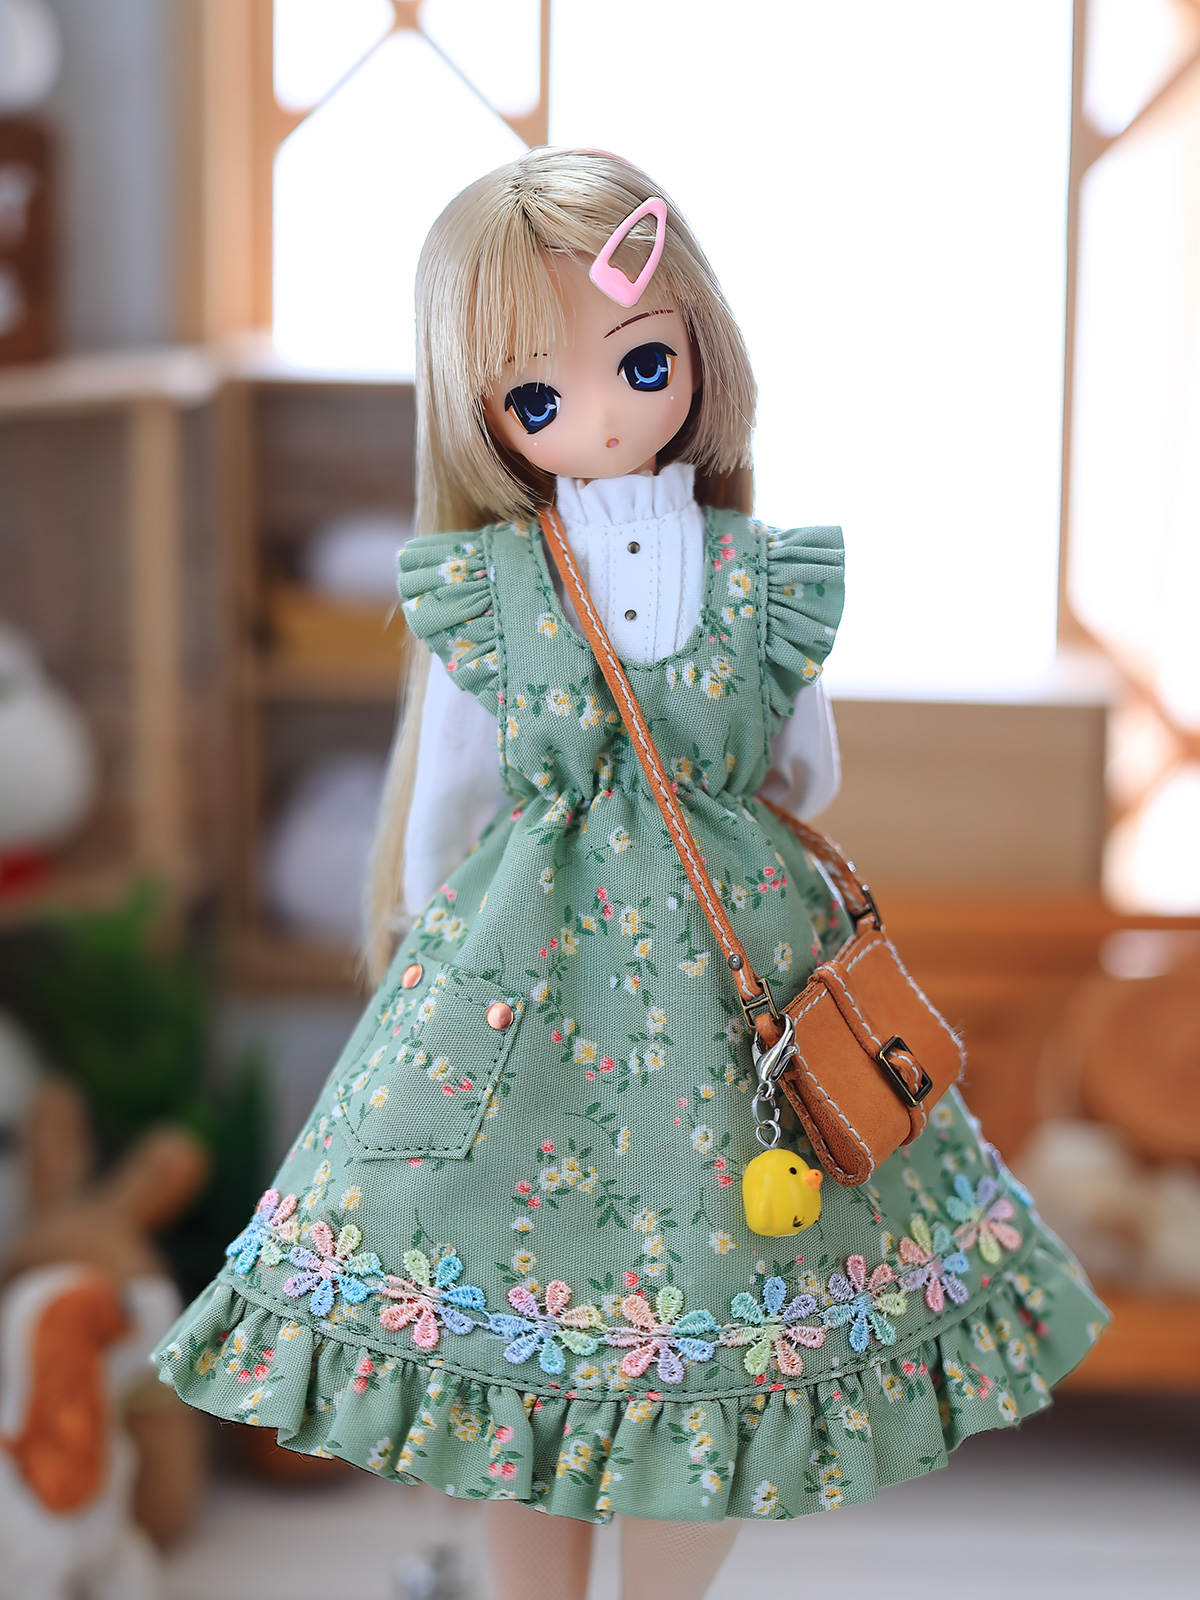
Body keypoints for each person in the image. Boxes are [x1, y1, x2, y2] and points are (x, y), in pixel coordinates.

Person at [156, 149, 1107, 1600]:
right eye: (537, 399)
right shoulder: (528, 587)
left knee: (702, 1344)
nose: (598, 414)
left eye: (641, 363)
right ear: (485, 417)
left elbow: (466, 814)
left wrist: (436, 930)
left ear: (699, 351)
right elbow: (784, 778)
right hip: (609, 971)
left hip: (634, 986)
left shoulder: (741, 576)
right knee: (531, 1364)